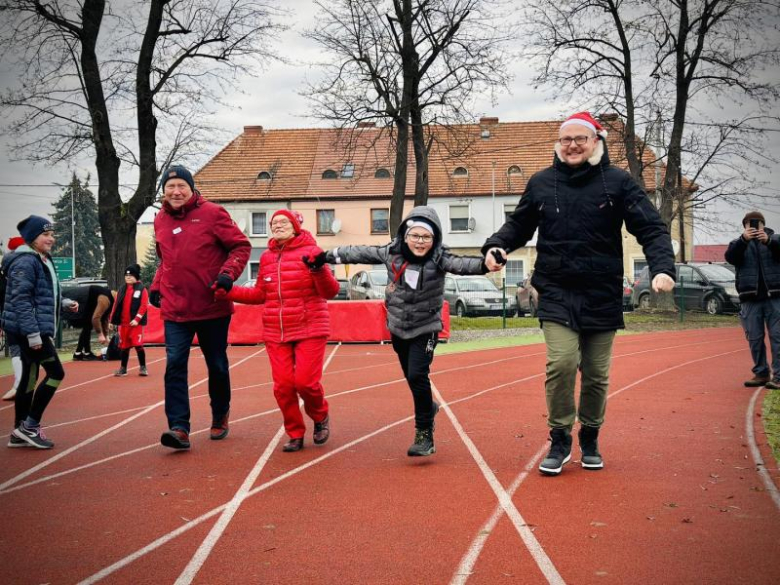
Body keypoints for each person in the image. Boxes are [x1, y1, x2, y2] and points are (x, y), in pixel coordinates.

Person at [483, 111, 676, 475]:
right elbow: (518, 225)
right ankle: (559, 437)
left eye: (580, 139)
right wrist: (496, 246)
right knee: (561, 364)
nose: (572, 145)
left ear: (596, 142)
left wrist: (663, 267)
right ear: (558, 145)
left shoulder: (617, 182)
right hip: (556, 289)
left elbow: (651, 227)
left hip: (601, 291)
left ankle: (590, 435)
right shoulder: (542, 183)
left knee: (597, 374)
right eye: (566, 139)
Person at [313, 206, 487, 457]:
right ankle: (429, 406)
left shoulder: (439, 258)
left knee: (418, 374)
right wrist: (327, 256)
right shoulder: (390, 252)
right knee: (410, 375)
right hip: (397, 325)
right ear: (405, 235)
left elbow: (464, 264)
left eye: (426, 237)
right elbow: (358, 252)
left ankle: (424, 433)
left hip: (426, 326)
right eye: (415, 235)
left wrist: (486, 264)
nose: (420, 242)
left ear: (434, 238)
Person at [221, 210, 339, 452]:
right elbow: (260, 295)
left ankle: (320, 417)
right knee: (283, 387)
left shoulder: (313, 251)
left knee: (306, 383)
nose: (278, 226)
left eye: (283, 222)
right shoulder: (266, 258)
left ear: (296, 226)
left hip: (310, 327)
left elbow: (330, 292)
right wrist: (228, 290)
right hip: (277, 330)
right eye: (274, 223)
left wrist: (318, 269)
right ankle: (295, 432)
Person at [151, 165, 251, 450]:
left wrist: (227, 275)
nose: (176, 191)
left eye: (182, 186)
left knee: (217, 365)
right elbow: (165, 260)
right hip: (175, 307)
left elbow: (241, 247)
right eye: (170, 187)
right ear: (163, 192)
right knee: (174, 366)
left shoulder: (213, 213)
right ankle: (179, 427)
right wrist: (157, 285)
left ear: (192, 188)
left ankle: (220, 414)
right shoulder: (160, 219)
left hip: (212, 305)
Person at [2, 216, 78, 448]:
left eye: (51, 234)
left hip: (31, 328)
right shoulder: (26, 261)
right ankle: (30, 426)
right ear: (32, 237)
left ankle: (19, 431)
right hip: (30, 330)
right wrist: (33, 335)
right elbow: (21, 300)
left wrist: (62, 302)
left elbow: (41, 294)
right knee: (56, 373)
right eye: (46, 234)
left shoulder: (40, 258)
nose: (51, 239)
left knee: (29, 378)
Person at [724, 211, 780, 390]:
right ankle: (761, 373)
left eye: (756, 224)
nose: (753, 227)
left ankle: (778, 376)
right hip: (750, 298)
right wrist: (743, 240)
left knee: (778, 337)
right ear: (745, 227)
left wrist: (769, 242)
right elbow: (730, 257)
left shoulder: (776, 240)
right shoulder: (738, 243)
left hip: (776, 297)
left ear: (763, 225)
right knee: (754, 338)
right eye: (749, 224)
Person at [108, 264, 149, 377]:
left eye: (130, 276)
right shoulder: (122, 289)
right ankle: (123, 368)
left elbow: (144, 305)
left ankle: (143, 367)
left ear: (136, 276)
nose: (128, 277)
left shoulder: (142, 289)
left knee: (138, 345)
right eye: (126, 276)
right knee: (124, 346)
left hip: (135, 324)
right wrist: (111, 320)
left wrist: (137, 319)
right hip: (123, 324)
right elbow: (116, 305)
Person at [2, 236, 25, 401]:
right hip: (25, 315)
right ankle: (22, 385)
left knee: (17, 350)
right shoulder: (28, 265)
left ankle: (19, 384)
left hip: (9, 315)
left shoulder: (6, 267)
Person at [66, 284, 113, 361]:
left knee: (87, 326)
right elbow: (96, 318)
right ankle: (86, 353)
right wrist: (100, 334)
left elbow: (104, 317)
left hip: (88, 300)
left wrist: (106, 336)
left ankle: (78, 353)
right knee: (87, 325)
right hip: (81, 300)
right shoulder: (105, 299)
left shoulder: (110, 299)